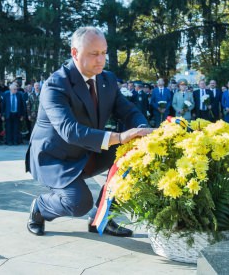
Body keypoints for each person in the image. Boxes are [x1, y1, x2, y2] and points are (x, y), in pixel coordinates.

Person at [25, 26, 152, 237]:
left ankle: (101, 218)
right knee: (78, 203)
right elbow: (69, 131)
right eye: (94, 53)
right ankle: (40, 207)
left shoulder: (107, 79)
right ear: (74, 52)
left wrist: (141, 131)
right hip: (55, 157)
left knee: (134, 156)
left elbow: (128, 111)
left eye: (104, 52)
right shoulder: (55, 84)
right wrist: (119, 137)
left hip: (88, 150)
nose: (101, 59)